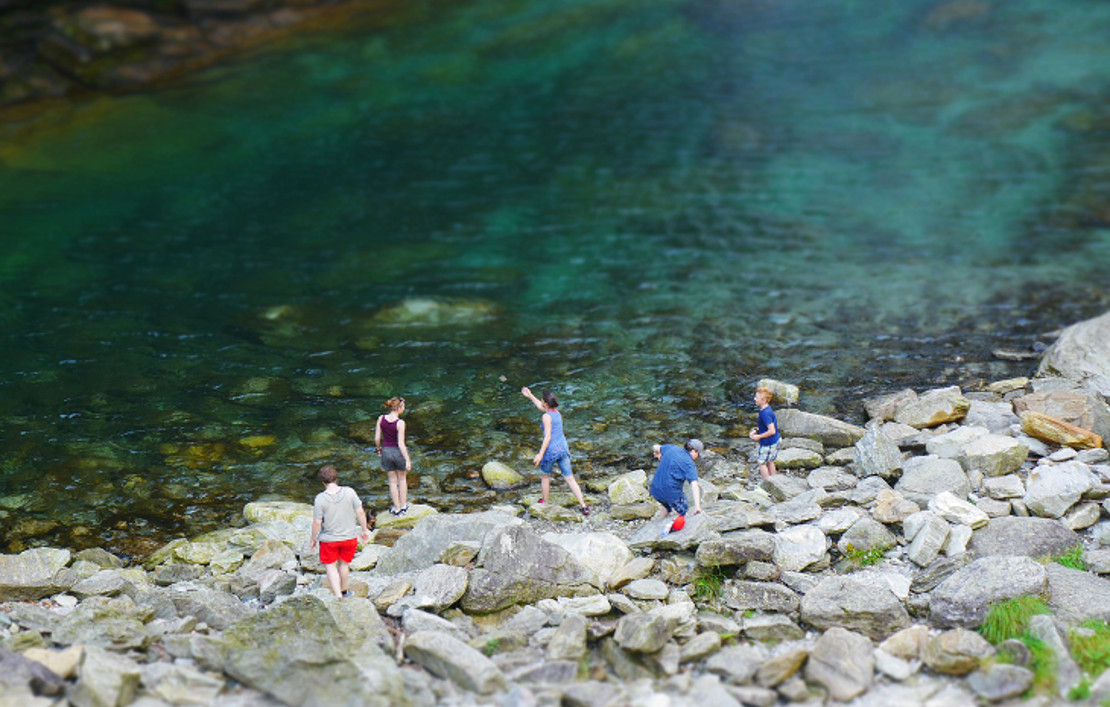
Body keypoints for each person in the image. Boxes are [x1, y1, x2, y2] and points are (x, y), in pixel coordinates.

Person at [521, 386, 589, 515]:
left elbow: (548, 437)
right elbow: (541, 408)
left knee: (545, 476)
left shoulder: (546, 417)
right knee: (570, 478)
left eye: (542, 400)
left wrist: (540, 454)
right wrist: (530, 395)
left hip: (551, 451)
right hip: (562, 449)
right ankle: (583, 505)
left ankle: (545, 502)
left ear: (546, 403)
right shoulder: (556, 413)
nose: (541, 402)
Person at [309, 465, 371, 599]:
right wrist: (364, 530)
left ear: (322, 482)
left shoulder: (320, 498)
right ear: (336, 478)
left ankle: (338, 596)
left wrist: (313, 538)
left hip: (329, 540)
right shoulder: (350, 492)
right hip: (349, 538)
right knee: (344, 564)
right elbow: (360, 511)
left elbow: (317, 522)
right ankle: (343, 591)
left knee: (331, 567)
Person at [650, 439, 704, 535]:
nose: (697, 457)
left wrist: (657, 454)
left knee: (666, 505)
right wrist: (697, 507)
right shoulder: (689, 465)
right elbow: (694, 485)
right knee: (683, 509)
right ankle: (670, 531)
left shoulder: (671, 448)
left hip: (655, 489)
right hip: (670, 492)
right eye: (698, 454)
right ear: (693, 451)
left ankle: (657, 524)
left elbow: (655, 446)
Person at [375, 396, 412, 515]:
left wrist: (379, 449)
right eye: (403, 407)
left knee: (392, 481)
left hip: (386, 450)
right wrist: (407, 460)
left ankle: (396, 509)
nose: (404, 409)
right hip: (397, 452)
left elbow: (376, 438)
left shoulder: (381, 419)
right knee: (402, 479)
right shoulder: (400, 423)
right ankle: (403, 505)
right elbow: (401, 443)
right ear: (399, 408)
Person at [749, 387, 780, 479]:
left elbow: (772, 430)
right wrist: (758, 430)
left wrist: (758, 436)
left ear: (764, 400)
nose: (754, 398)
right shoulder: (767, 410)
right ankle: (774, 480)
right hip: (775, 440)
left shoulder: (765, 413)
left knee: (761, 463)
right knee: (770, 461)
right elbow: (767, 426)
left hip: (768, 443)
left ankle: (767, 483)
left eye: (757, 397)